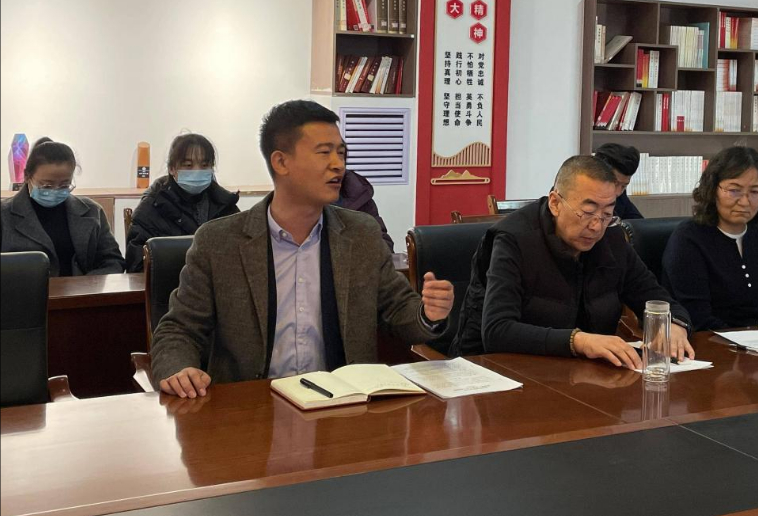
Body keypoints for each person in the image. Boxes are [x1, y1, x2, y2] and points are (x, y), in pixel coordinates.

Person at [151, 100, 454, 398]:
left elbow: (399, 309)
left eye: (341, 153)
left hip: (345, 406)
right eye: (324, 152)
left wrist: (429, 314)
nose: (338, 164)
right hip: (252, 407)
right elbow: (179, 329)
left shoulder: (361, 234)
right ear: (281, 162)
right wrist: (180, 369)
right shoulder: (219, 243)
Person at [451, 155, 694, 368]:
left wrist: (675, 324)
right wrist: (579, 341)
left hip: (583, 376)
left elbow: (657, 298)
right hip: (500, 374)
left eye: (607, 214)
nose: (596, 226)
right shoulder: (514, 240)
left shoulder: (612, 239)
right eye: (587, 212)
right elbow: (497, 331)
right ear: (555, 203)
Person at [660, 146, 758, 332]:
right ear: (713, 190)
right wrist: (745, 340)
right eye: (734, 190)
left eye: (754, 192)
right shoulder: (688, 239)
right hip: (712, 341)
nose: (745, 202)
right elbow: (697, 317)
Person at [1, 138, 125, 276]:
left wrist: (87, 284)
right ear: (27, 176)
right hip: (23, 289)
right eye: (47, 185)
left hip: (82, 289)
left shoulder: (92, 211)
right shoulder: (4, 215)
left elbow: (113, 261)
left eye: (64, 185)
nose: (55, 191)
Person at [124, 133, 240, 271]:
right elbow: (136, 267)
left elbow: (243, 253)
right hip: (170, 283)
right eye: (188, 165)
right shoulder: (150, 209)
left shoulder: (226, 205)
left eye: (204, 165)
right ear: (172, 168)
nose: (197, 171)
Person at [335, 146, 393, 251]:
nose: (336, 165)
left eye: (340, 154)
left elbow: (384, 245)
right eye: (324, 153)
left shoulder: (358, 194)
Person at [594, 143, 643, 220]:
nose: (618, 192)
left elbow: (638, 223)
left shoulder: (621, 196)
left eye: (624, 186)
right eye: (615, 184)